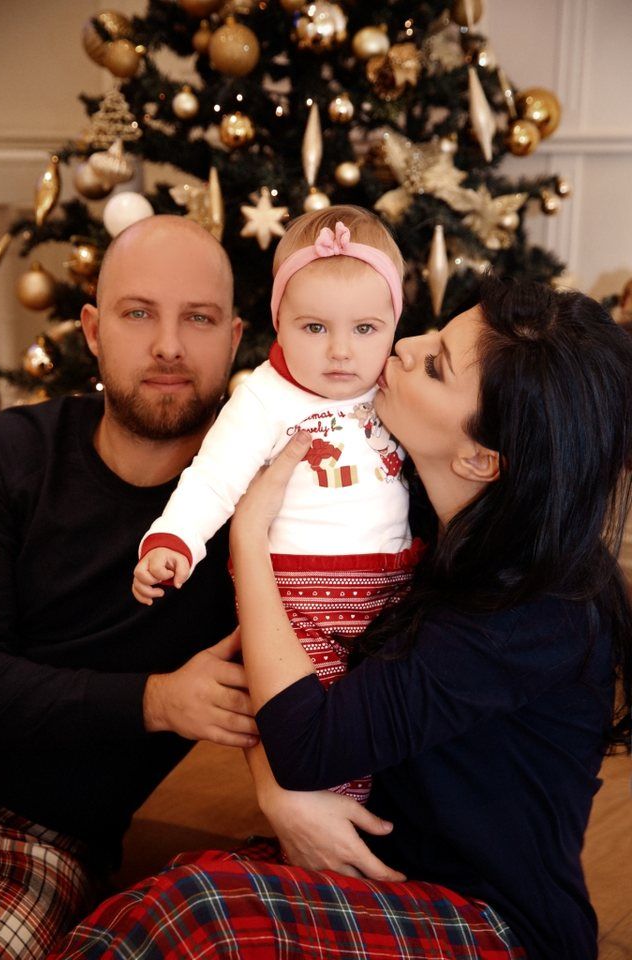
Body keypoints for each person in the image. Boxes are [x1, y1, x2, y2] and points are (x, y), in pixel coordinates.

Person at [51, 276, 632, 960]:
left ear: (480, 457)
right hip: (384, 874)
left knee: (200, 914)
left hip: (492, 923)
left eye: (437, 365)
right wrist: (282, 799)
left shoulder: (536, 612)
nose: (404, 344)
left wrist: (250, 535)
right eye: (433, 331)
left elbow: (305, 742)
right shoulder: (412, 521)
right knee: (163, 905)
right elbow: (288, 660)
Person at [0, 215, 259, 959]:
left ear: (234, 339)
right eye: (138, 313)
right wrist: (156, 701)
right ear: (93, 330)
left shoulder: (261, 515)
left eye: (198, 318)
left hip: (40, 843)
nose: (168, 345)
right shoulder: (11, 454)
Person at [132, 206, 422, 804]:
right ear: (278, 322)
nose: (341, 352)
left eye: (365, 329)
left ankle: (380, 837)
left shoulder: (392, 386)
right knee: (317, 736)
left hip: (394, 588)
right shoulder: (265, 398)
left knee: (387, 724)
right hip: (296, 598)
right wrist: (174, 538)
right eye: (314, 327)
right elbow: (214, 477)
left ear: (394, 324)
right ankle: (317, 837)